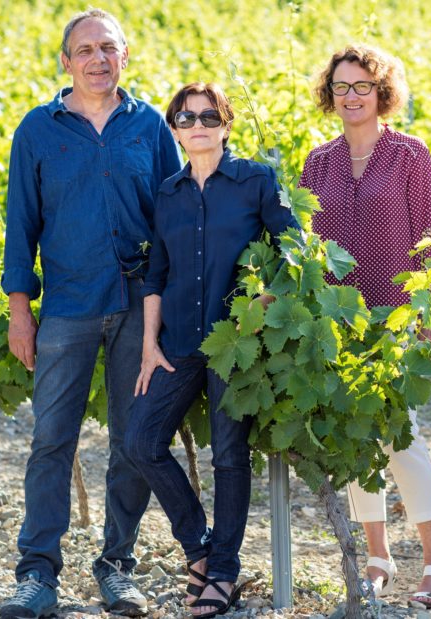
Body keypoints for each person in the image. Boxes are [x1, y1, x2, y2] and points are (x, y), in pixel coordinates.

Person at [0, 8, 182, 619]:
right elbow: (20, 225)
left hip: (137, 306)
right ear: (65, 61)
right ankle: (37, 575)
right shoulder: (38, 129)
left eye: (109, 48)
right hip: (68, 307)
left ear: (125, 56)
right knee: (52, 440)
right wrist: (20, 312)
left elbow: (174, 220)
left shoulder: (150, 126)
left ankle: (117, 567)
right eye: (85, 50)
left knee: (134, 440)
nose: (98, 59)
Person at [122, 82, 298, 619]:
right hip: (176, 343)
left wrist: (261, 305)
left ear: (225, 125)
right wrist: (150, 344)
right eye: (184, 116)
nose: (196, 124)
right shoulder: (169, 192)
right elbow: (158, 273)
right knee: (140, 440)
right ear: (174, 129)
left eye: (207, 116)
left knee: (228, 455)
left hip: (235, 345)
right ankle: (199, 549)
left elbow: (293, 246)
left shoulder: (256, 180)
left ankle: (223, 572)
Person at [299, 44, 431, 610]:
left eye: (363, 85)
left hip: (398, 319)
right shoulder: (318, 162)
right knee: (357, 438)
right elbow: (310, 248)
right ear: (330, 94)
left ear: (382, 91)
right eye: (341, 86)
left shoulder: (410, 154)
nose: (351, 96)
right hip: (340, 324)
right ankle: (377, 557)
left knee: (401, 439)